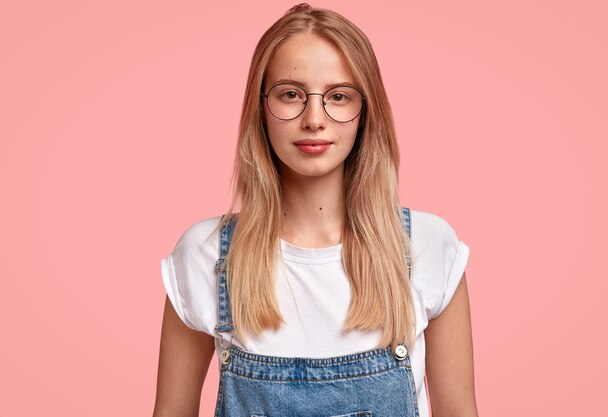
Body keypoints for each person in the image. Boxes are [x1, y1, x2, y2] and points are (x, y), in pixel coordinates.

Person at [153, 4, 479, 417]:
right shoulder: (205, 254)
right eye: (290, 94)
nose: (314, 119)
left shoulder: (428, 247)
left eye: (338, 96)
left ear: (365, 111)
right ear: (260, 108)